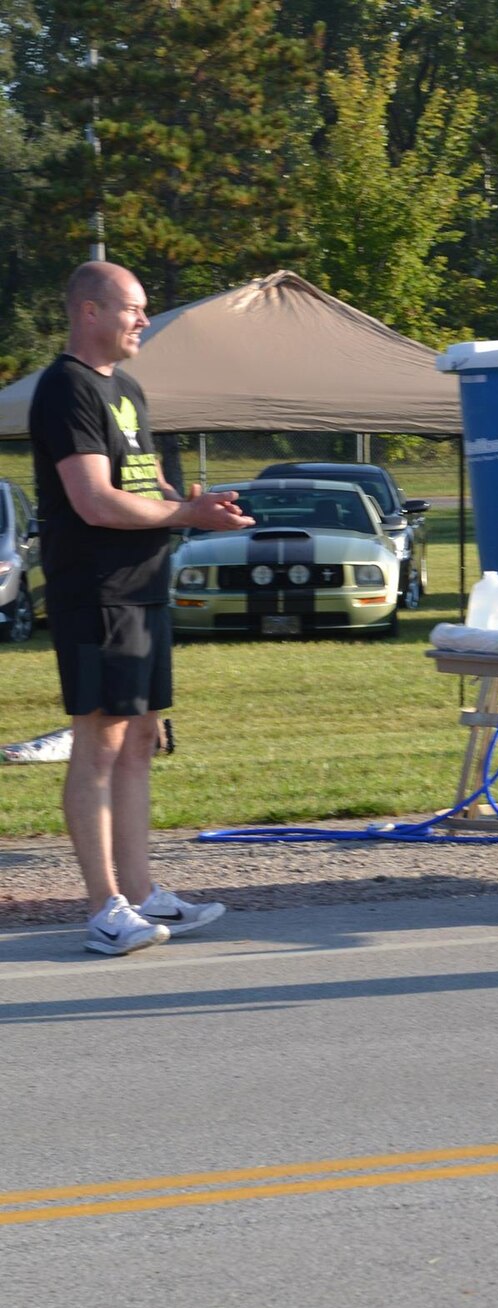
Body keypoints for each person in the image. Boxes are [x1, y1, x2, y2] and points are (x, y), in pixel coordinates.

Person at [30, 261, 248, 955]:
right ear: (89, 311)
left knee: (140, 740)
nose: (144, 321)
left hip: (144, 586)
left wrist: (198, 507)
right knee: (99, 742)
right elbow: (94, 500)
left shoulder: (125, 388)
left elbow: (146, 481)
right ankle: (104, 909)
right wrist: (185, 514)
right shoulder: (65, 388)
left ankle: (142, 891)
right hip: (96, 591)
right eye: (133, 308)